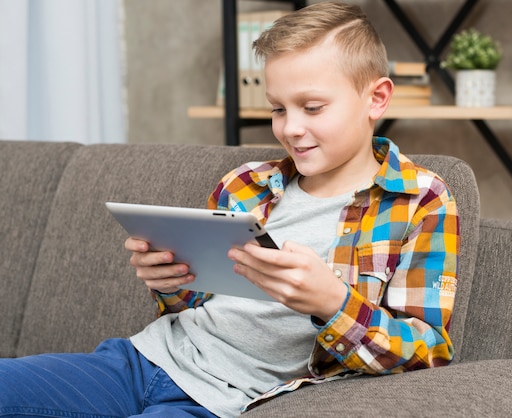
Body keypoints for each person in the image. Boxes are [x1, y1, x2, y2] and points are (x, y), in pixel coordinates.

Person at [0, 2, 459, 417]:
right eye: (278, 109)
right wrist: (171, 282)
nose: (291, 128)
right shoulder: (245, 184)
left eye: (312, 107)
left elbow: (430, 350)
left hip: (230, 398)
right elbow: (194, 306)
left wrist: (333, 303)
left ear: (376, 98)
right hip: (142, 362)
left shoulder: (420, 200)